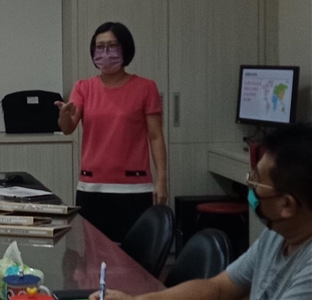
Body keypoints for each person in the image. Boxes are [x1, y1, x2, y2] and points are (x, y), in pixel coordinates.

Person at [89, 122, 312, 300]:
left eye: (255, 181)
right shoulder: (276, 236)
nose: (250, 188)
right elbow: (218, 288)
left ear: (286, 205)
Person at [55, 22, 168, 243]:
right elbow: (68, 128)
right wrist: (63, 115)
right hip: (92, 188)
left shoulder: (146, 88)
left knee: (133, 255)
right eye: (100, 47)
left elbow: (156, 137)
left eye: (112, 45)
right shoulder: (83, 87)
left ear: (125, 48)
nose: (105, 52)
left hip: (134, 189)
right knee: (93, 254)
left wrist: (162, 179)